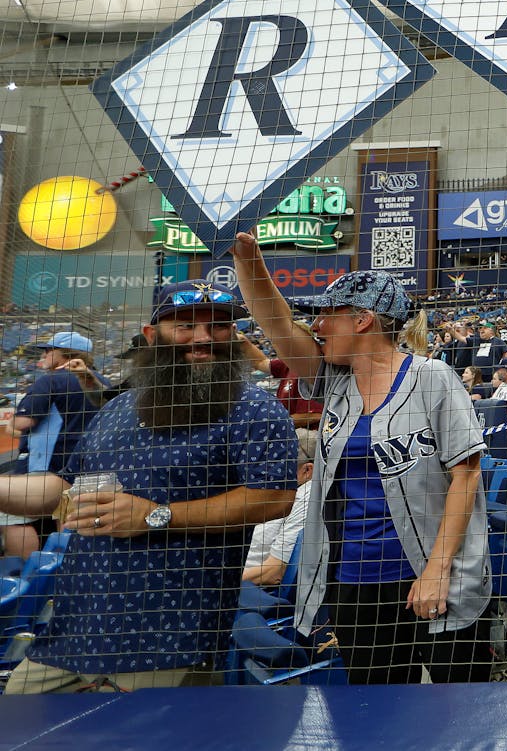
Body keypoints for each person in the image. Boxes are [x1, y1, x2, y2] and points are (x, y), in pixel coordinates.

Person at [0, 281, 297, 694]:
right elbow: (61, 489)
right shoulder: (120, 407)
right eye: (185, 325)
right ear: (152, 335)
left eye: (219, 326)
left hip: (168, 639)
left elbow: (275, 496)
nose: (203, 338)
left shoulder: (254, 409)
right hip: (72, 633)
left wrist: (157, 515)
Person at [232, 244, 495, 686]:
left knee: (461, 710)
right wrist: (247, 256)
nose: (316, 326)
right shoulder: (333, 380)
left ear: (362, 319)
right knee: (377, 714)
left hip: (430, 575)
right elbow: (276, 322)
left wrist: (436, 570)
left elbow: (465, 476)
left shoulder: (431, 377)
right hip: (355, 581)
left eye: (326, 315)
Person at [3, 332, 108, 560]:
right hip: (91, 464)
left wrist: (12, 424)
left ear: (64, 354)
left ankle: (24, 575)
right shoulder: (103, 382)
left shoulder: (51, 380)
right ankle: (63, 571)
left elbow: (24, 422)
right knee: (70, 519)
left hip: (49, 468)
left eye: (50, 350)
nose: (45, 354)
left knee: (14, 519)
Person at [244, 428, 317, 586]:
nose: (271, 470)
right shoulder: (277, 484)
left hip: (246, 585)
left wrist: (220, 583)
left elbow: (273, 572)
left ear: (307, 471)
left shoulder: (307, 498)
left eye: (281, 465)